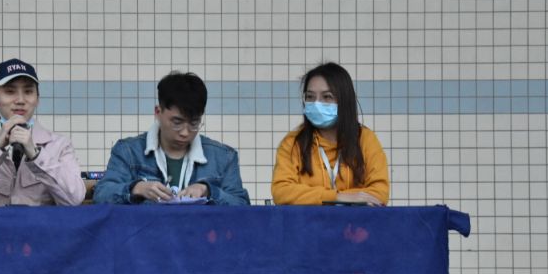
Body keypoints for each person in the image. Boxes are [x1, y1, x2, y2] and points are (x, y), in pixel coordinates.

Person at [93, 71, 251, 205]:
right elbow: (101, 195)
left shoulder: (224, 157)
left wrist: (208, 191)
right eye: (177, 122)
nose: (185, 132)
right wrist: (137, 188)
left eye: (194, 123)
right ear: (158, 112)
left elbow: (242, 205)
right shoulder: (128, 151)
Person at [0, 58, 85, 206]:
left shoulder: (59, 146)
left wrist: (36, 155)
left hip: (39, 223)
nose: (20, 100)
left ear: (37, 99)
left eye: (28, 91)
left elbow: (74, 199)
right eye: (10, 91)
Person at [271, 62, 389, 206]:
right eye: (310, 97)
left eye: (327, 97)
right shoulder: (293, 143)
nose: (316, 104)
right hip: (307, 221)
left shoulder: (365, 139)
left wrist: (313, 197)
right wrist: (337, 197)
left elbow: (379, 193)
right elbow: (281, 192)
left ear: (344, 101)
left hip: (355, 221)